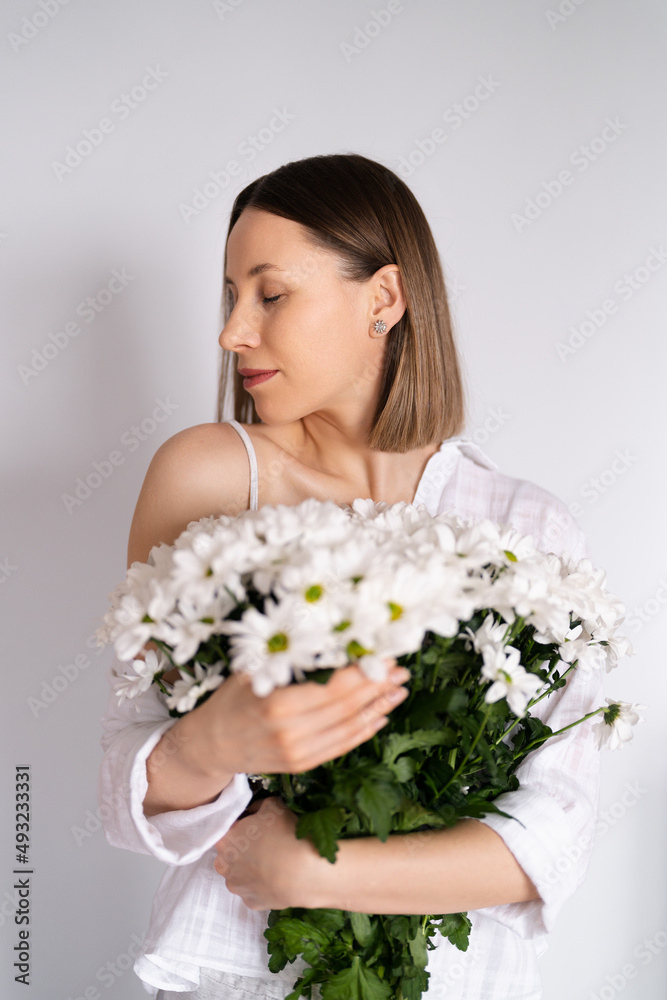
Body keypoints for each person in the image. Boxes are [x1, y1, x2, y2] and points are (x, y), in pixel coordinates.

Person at [98, 153, 603, 1000]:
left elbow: (549, 841)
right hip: (238, 970)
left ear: (383, 298)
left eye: (270, 293)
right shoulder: (209, 478)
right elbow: (127, 769)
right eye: (229, 297)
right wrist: (213, 741)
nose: (232, 333)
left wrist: (318, 873)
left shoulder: (526, 528)